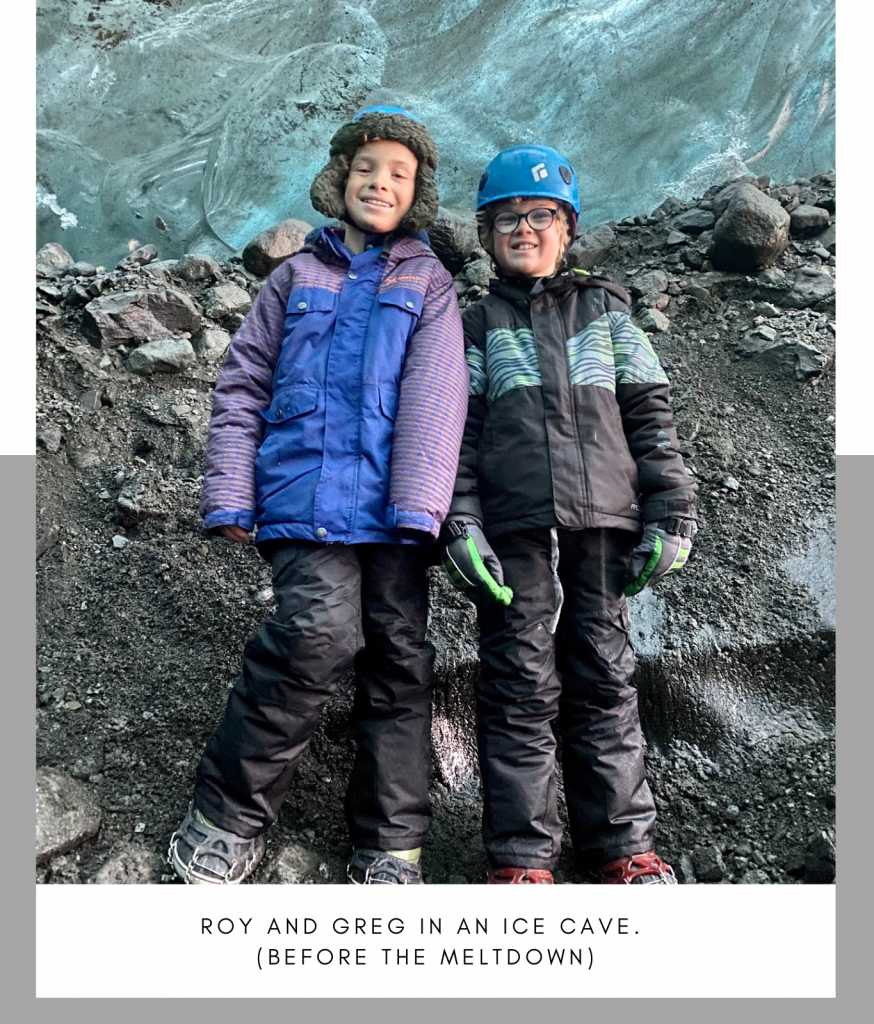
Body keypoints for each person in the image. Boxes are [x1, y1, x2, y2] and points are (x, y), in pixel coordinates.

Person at [168, 106, 467, 885]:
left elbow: (438, 400)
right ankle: (227, 816)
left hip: (397, 518)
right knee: (315, 635)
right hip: (303, 502)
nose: (380, 182)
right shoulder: (295, 276)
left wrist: (420, 511)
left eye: (398, 174)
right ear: (340, 177)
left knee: (401, 662)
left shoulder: (429, 283)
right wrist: (232, 492)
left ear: (418, 194)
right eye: (367, 167)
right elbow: (241, 387)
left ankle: (391, 844)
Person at [442, 145, 698, 884]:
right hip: (513, 531)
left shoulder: (610, 317)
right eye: (509, 218)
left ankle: (620, 846)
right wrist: (462, 527)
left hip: (605, 528)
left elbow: (652, 419)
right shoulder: (474, 326)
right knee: (517, 682)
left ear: (568, 225)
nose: (526, 229)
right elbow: (453, 437)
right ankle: (523, 858)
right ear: (488, 234)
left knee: (605, 677)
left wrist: (672, 514)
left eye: (541, 215)